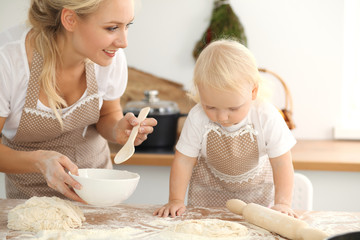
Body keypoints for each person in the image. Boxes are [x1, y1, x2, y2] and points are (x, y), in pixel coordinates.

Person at [0, 0, 157, 203]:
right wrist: (39, 161)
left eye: (128, 26)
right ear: (70, 20)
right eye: (112, 28)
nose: (123, 42)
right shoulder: (9, 62)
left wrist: (119, 129)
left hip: (98, 198)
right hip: (31, 204)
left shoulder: (109, 56)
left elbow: (108, 114)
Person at [154, 39, 297, 218]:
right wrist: (175, 199)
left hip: (256, 197)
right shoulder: (198, 116)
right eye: (211, 107)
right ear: (200, 91)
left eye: (233, 108)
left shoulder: (266, 116)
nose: (221, 117)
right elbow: (184, 160)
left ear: (253, 92)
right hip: (207, 196)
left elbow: (282, 162)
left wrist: (282, 204)